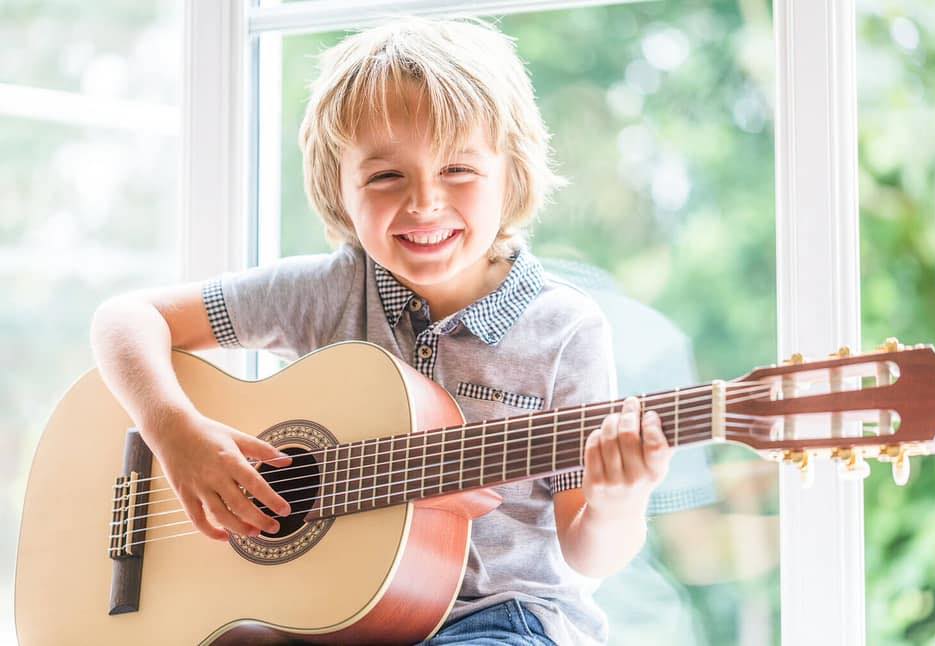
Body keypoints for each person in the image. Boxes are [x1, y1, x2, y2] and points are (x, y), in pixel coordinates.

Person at [90, 16, 673, 645]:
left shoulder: (563, 330)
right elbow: (126, 319)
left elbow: (588, 552)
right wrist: (176, 434)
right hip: (322, 617)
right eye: (386, 176)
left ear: (513, 173)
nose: (424, 202)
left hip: (501, 617)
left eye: (458, 170)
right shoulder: (326, 293)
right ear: (339, 190)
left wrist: (617, 502)